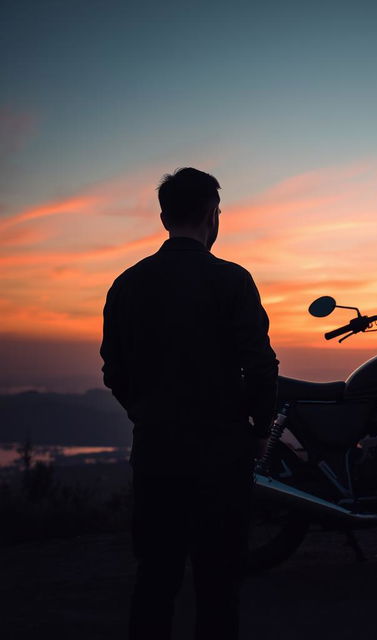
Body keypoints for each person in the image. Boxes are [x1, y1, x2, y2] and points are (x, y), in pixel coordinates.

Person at [99, 167, 279, 639]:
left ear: (164, 218)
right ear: (211, 214)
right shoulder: (233, 281)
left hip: (156, 455)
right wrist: (260, 431)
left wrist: (145, 412)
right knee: (218, 587)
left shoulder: (126, 284)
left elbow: (113, 370)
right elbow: (261, 366)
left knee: (155, 581)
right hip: (222, 457)